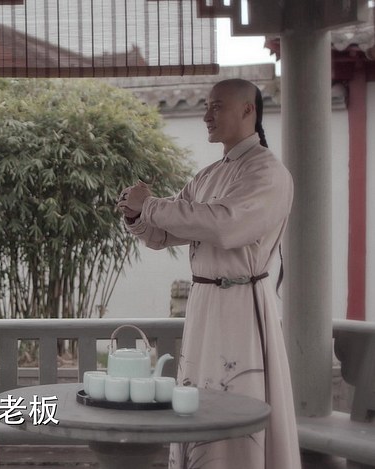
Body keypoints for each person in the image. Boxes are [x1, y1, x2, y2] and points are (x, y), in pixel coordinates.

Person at [117, 79, 301, 469]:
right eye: (205, 106)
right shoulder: (207, 176)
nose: (206, 116)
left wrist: (150, 205)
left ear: (248, 109)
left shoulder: (267, 172)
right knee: (196, 397)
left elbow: (225, 225)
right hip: (203, 304)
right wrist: (136, 214)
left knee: (238, 397)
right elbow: (165, 233)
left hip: (241, 303)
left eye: (216, 106)